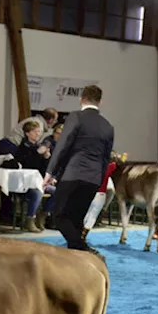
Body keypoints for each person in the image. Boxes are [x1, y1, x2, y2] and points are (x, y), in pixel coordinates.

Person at [45, 85, 113, 252]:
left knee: (59, 216)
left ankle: (84, 249)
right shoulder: (108, 126)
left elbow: (63, 146)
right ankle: (76, 261)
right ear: (100, 102)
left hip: (72, 174)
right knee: (76, 220)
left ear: (81, 99)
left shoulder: (76, 117)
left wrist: (50, 172)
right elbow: (106, 158)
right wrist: (99, 179)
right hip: (93, 178)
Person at [82, 153, 120, 240]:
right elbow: (117, 164)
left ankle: (80, 231)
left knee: (87, 213)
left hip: (90, 193)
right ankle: (84, 234)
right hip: (100, 194)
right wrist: (120, 158)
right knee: (93, 216)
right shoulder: (109, 167)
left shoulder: (93, 167)